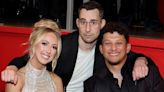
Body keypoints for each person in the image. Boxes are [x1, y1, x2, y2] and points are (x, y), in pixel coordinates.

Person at [1, 1, 149, 92]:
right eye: (83, 22)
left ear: (102, 24)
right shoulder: (62, 44)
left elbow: (128, 54)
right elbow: (31, 57)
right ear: (77, 23)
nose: (88, 29)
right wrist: (12, 68)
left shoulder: (104, 47)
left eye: (93, 22)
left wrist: (140, 61)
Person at [84, 22, 164, 92]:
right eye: (108, 43)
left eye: (118, 43)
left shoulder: (149, 74)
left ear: (128, 48)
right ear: (101, 49)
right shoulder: (92, 85)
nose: (113, 48)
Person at [5, 19, 63, 92]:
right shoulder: (16, 80)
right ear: (33, 43)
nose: (49, 51)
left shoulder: (57, 81)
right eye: (44, 43)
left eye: (54, 47)